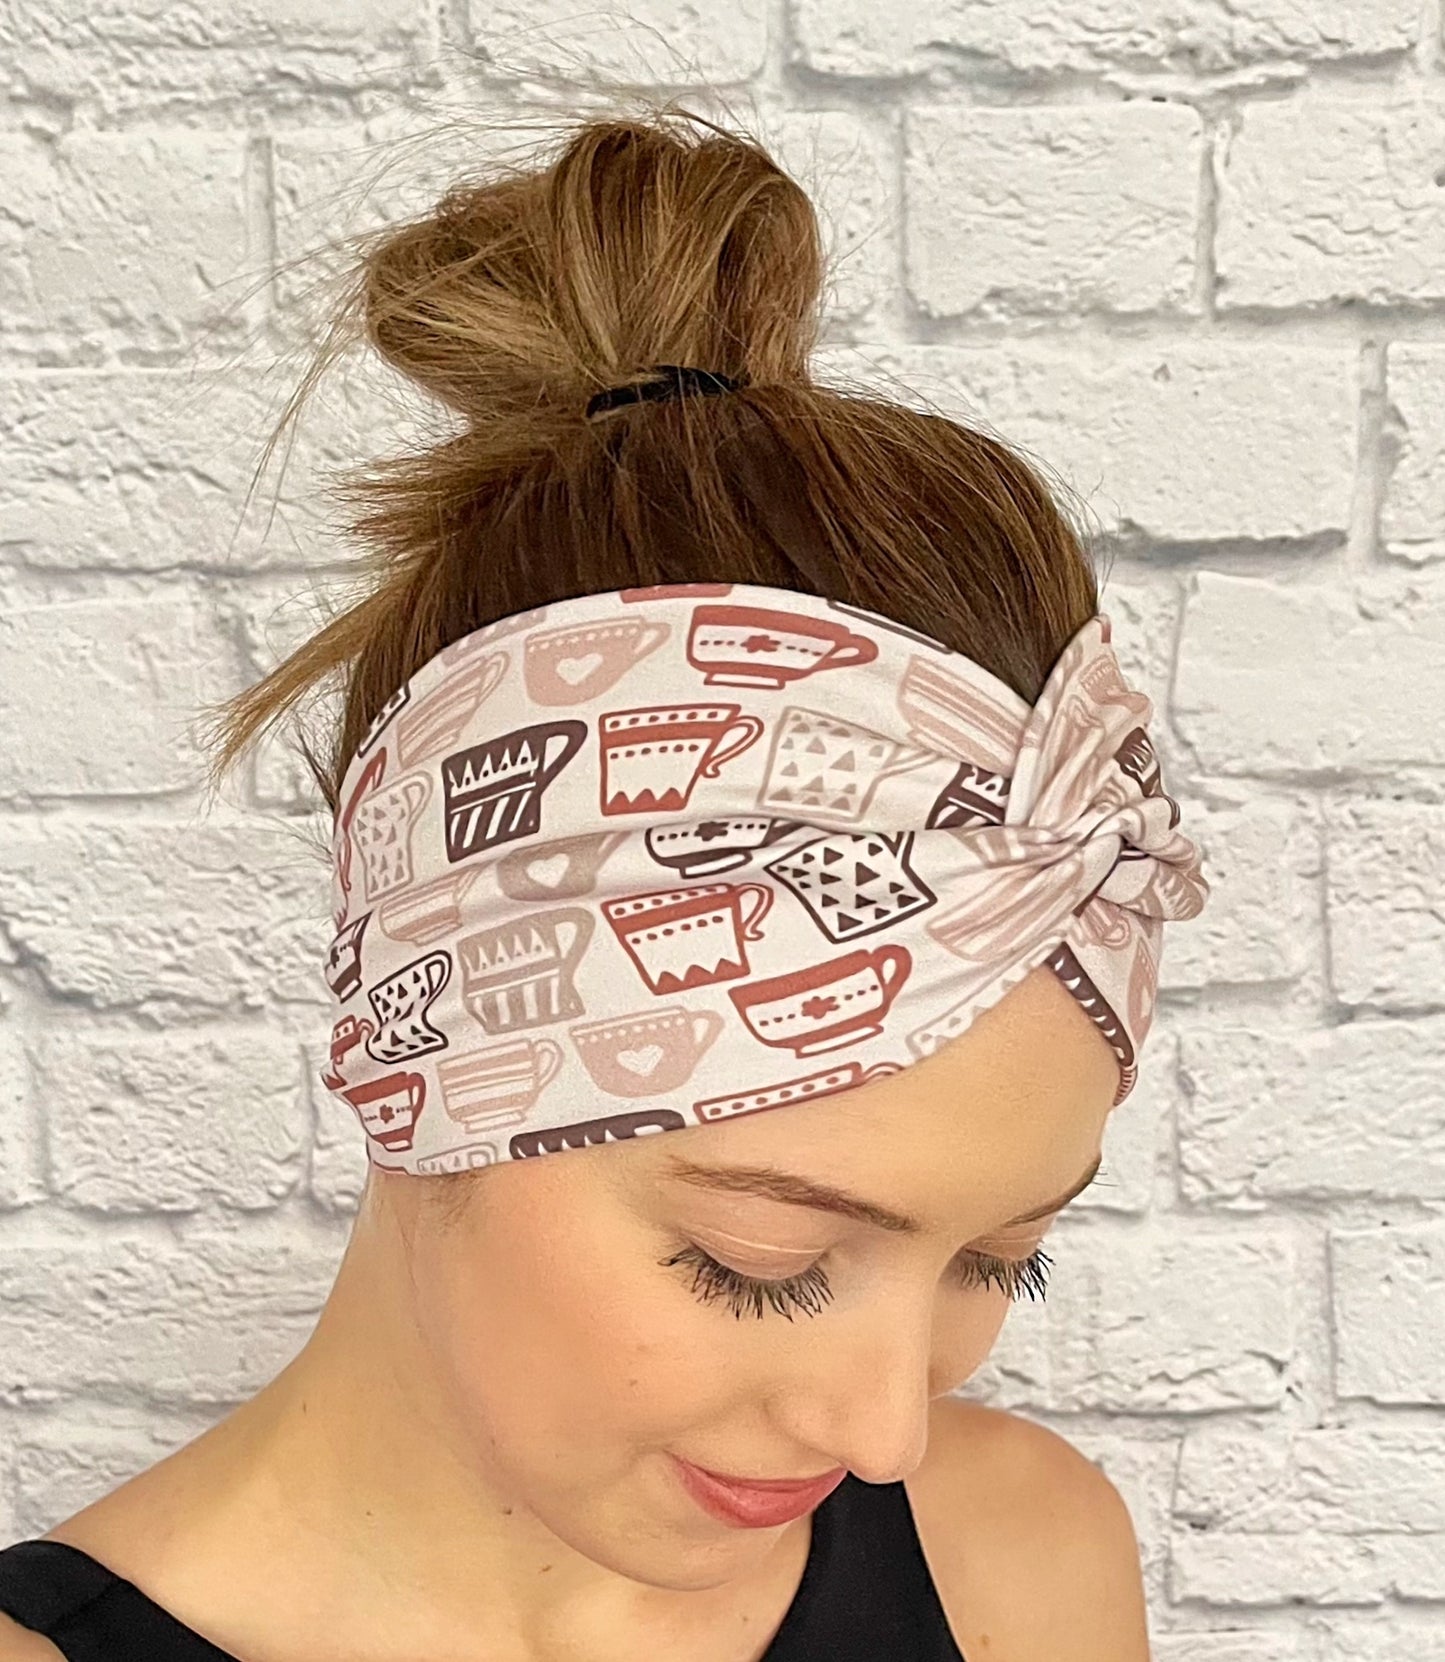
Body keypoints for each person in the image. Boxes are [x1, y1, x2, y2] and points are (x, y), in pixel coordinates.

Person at [0, 103, 1209, 1662]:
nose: (883, 1427)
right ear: (417, 1066)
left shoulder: (1016, 1567)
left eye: (999, 1259)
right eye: (754, 1264)